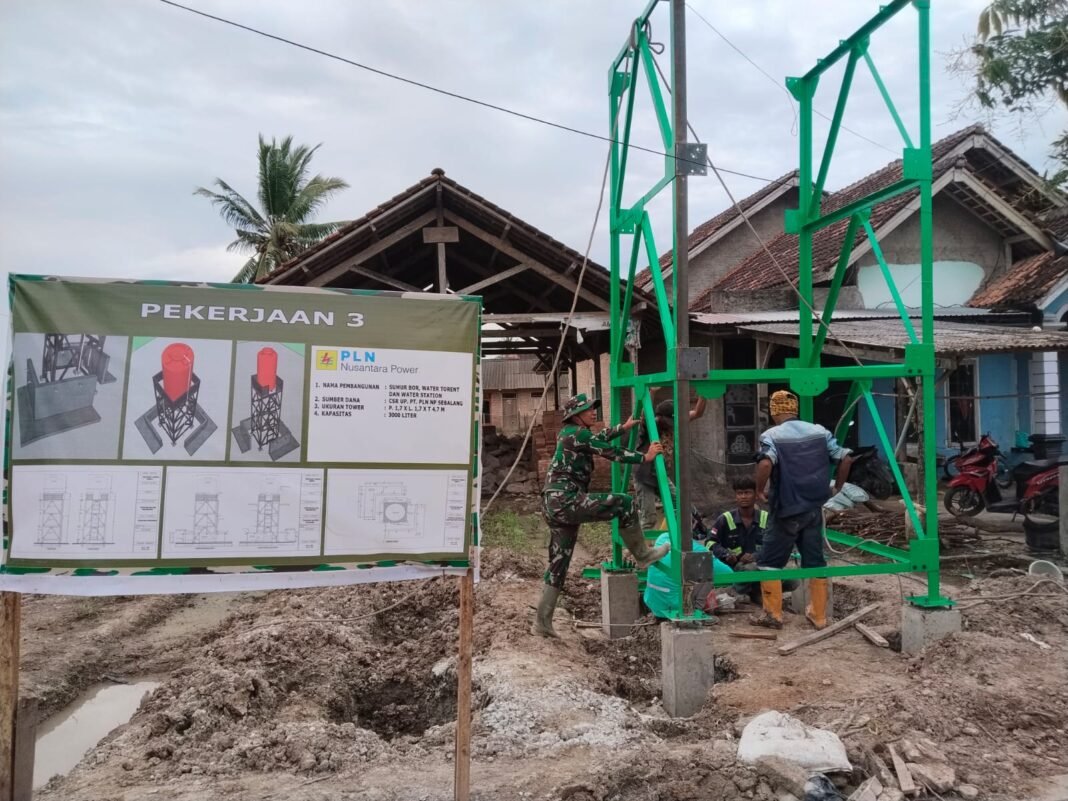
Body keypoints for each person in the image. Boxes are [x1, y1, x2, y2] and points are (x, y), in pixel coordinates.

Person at [534, 393, 669, 638]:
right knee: (624, 503)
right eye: (587, 410)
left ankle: (542, 623)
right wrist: (645, 457)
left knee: (559, 562)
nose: (592, 412)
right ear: (576, 415)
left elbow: (597, 439)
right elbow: (610, 452)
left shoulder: (571, 434)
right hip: (566, 501)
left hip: (553, 504)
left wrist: (623, 427)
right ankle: (643, 554)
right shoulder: (578, 433)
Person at [751, 390, 852, 630]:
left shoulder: (772, 435)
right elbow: (846, 458)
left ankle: (773, 615)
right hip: (814, 508)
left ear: (775, 411)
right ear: (794, 409)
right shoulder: (819, 431)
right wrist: (837, 487)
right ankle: (818, 616)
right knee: (815, 561)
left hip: (785, 509)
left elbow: (765, 462)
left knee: (769, 562)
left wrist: (758, 490)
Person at [632, 397, 707, 530]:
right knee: (649, 518)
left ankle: (670, 539)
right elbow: (643, 415)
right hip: (645, 475)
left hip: (661, 474)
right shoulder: (652, 424)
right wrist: (651, 393)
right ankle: (640, 549)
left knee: (680, 505)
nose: (671, 425)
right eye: (668, 421)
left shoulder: (675, 421)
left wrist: (704, 393)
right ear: (659, 417)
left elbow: (697, 413)